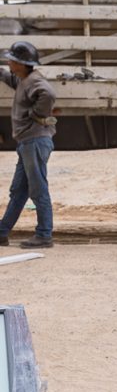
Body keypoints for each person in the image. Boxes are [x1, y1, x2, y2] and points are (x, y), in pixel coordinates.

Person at [0, 40, 57, 249]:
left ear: (22, 64)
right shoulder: (23, 80)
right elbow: (10, 79)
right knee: (19, 190)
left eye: (11, 60)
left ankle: (44, 235)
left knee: (38, 189)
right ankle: (2, 232)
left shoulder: (34, 81)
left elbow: (48, 94)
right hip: (27, 142)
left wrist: (36, 114)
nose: (8, 62)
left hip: (35, 141)